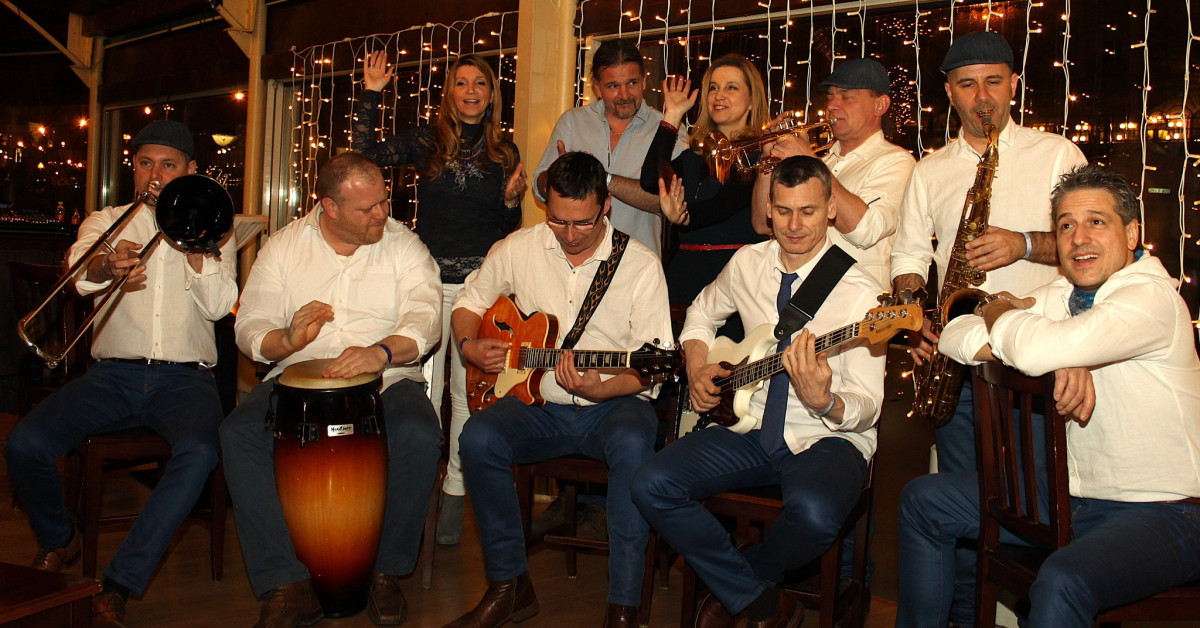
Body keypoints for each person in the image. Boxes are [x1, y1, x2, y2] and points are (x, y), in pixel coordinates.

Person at [896, 164, 1200, 628]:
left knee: (1062, 582)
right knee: (923, 501)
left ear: (1131, 233)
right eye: (1066, 225)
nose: (1079, 238)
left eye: (1096, 222)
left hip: (1164, 511)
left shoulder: (1151, 299)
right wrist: (1061, 353)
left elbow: (1029, 346)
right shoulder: (1067, 294)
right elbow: (955, 333)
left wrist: (1012, 319)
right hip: (1072, 498)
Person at [632, 155, 886, 628]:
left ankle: (744, 580)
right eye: (783, 211)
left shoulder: (861, 294)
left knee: (815, 516)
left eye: (808, 211)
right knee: (651, 482)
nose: (794, 225)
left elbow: (868, 407)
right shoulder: (747, 263)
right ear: (768, 208)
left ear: (831, 208)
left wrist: (825, 401)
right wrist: (697, 364)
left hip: (825, 436)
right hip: (747, 423)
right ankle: (758, 600)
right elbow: (702, 312)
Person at [5, 120, 238, 625]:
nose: (155, 175)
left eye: (168, 165)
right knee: (25, 444)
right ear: (134, 168)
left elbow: (221, 307)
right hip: (112, 376)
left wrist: (198, 247)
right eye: (145, 163)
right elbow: (79, 273)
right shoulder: (106, 219)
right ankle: (60, 539)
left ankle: (118, 584)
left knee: (199, 452)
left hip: (187, 380)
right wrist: (105, 267)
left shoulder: (215, 227)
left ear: (190, 170)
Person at [445, 152, 672, 628]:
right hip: (538, 403)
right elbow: (470, 300)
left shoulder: (641, 265)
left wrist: (604, 391)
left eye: (583, 223)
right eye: (558, 221)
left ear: (606, 206)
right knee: (477, 438)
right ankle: (510, 587)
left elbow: (651, 370)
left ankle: (624, 606)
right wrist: (469, 346)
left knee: (635, 445)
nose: (570, 235)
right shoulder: (519, 247)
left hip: (614, 405)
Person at [220, 152, 443, 628]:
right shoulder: (283, 248)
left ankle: (385, 573)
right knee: (238, 433)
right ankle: (287, 585)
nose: (382, 213)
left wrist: (380, 352)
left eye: (384, 201)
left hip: (385, 379)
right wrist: (287, 341)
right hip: (296, 379)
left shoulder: (404, 246)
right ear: (330, 207)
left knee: (419, 432)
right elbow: (250, 326)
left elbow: (426, 319)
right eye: (368, 208)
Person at [353, 51, 526, 546]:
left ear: (491, 95)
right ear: (450, 93)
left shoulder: (505, 152)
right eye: (462, 82)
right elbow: (363, 159)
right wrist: (371, 93)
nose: (471, 91)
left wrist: (512, 200)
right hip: (427, 284)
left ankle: (454, 488)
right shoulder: (426, 141)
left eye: (480, 83)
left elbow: (505, 225)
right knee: (422, 392)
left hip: (478, 290)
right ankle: (417, 489)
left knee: (466, 392)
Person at [765, 57, 916, 288]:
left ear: (880, 105)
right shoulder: (825, 161)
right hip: (801, 290)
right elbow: (762, 224)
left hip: (860, 297)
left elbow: (865, 230)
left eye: (846, 97)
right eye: (830, 97)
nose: (832, 106)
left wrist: (809, 161)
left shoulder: (897, 161)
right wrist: (767, 158)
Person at [643, 53, 770, 319]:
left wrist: (684, 216)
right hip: (684, 277)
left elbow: (725, 204)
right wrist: (672, 116)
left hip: (737, 279)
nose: (718, 95)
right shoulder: (694, 156)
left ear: (751, 100)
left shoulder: (760, 154)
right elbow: (651, 180)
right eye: (713, 87)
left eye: (731, 87)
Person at [533, 38, 685, 257]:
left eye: (632, 83)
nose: (624, 95)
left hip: (636, 264)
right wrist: (562, 173)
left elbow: (666, 203)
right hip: (570, 262)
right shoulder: (573, 121)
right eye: (613, 86)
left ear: (644, 80)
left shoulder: (669, 129)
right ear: (596, 86)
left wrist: (599, 177)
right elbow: (539, 187)